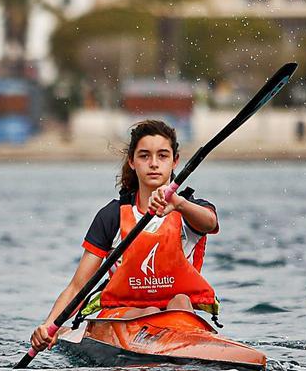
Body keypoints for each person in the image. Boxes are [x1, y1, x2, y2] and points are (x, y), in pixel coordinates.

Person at [30, 120, 221, 353]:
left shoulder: (190, 209)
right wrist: (48, 326)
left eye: (162, 156)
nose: (153, 164)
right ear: (132, 161)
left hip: (178, 317)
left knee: (181, 301)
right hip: (123, 315)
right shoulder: (111, 216)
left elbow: (210, 223)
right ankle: (69, 333)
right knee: (149, 312)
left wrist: (178, 203)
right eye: (144, 156)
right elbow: (78, 286)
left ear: (175, 161)